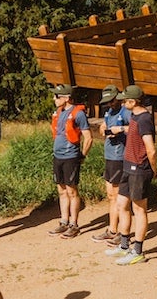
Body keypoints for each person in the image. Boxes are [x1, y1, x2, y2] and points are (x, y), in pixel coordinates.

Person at [105, 85, 157, 264]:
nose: (121, 101)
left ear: (133, 101)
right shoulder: (134, 116)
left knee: (139, 209)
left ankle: (138, 251)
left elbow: (150, 148)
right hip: (128, 166)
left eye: (124, 99)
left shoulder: (144, 119)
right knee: (122, 205)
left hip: (139, 169)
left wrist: (154, 170)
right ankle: (124, 245)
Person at [49, 91, 90, 237]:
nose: (54, 99)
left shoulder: (78, 114)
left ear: (66, 98)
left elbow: (88, 137)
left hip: (71, 157)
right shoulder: (58, 112)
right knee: (61, 190)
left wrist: (82, 155)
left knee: (72, 191)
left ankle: (74, 224)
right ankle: (64, 221)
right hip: (58, 156)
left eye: (57, 96)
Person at [94, 85, 129, 245]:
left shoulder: (126, 112)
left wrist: (120, 129)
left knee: (117, 196)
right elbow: (104, 126)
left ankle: (120, 232)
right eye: (107, 102)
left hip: (119, 157)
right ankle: (112, 229)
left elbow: (135, 129)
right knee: (110, 195)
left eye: (111, 101)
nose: (109, 104)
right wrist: (104, 128)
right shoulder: (108, 112)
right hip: (109, 155)